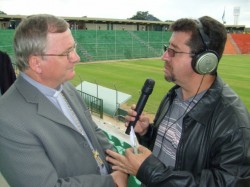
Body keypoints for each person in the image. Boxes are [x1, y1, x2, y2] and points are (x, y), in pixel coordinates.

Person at [106, 16, 250, 187]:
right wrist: (148, 133)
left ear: (204, 61)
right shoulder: (173, 96)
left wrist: (150, 171)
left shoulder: (233, 122)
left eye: (173, 51)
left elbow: (228, 184)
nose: (164, 56)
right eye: (167, 48)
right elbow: (174, 152)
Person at [0, 14, 127, 187]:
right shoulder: (7, 119)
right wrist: (110, 182)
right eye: (67, 53)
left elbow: (93, 132)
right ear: (36, 63)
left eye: (73, 48)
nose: (76, 57)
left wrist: (121, 163)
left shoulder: (66, 86)